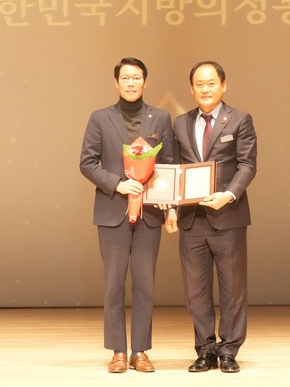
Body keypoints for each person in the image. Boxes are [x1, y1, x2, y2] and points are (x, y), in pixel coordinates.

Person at [79, 57, 175, 373]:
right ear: (116, 83)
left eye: (136, 77)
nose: (131, 83)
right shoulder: (99, 118)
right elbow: (87, 163)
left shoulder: (161, 118)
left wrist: (170, 206)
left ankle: (140, 351)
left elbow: (169, 165)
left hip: (150, 213)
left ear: (145, 82)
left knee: (145, 285)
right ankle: (118, 351)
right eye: (125, 78)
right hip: (112, 212)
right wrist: (118, 184)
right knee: (113, 285)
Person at [164, 60, 257, 373]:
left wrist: (228, 195)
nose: (205, 89)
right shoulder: (180, 123)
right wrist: (171, 208)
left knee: (233, 289)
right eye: (199, 84)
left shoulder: (240, 119)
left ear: (223, 85)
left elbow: (247, 165)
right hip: (192, 220)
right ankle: (205, 350)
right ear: (191, 89)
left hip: (228, 217)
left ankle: (229, 350)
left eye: (211, 83)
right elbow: (174, 169)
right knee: (196, 291)